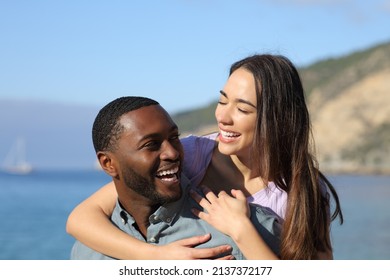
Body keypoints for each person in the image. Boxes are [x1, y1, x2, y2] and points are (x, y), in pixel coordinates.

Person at [67, 54, 343, 260]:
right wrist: (155, 257)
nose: (223, 117)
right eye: (222, 101)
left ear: (278, 119)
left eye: (242, 109)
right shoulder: (192, 154)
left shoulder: (303, 189)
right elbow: (81, 219)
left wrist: (242, 231)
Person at [70, 96, 281, 260]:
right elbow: (78, 219)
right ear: (108, 164)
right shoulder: (88, 251)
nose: (172, 153)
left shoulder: (252, 227)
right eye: (151, 144)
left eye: (174, 138)